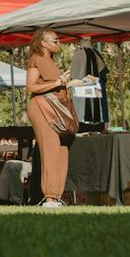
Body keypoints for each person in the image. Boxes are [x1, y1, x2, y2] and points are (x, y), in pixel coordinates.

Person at [25, 30, 76, 207]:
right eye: (55, 40)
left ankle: (56, 196)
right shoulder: (36, 59)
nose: (59, 43)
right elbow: (31, 87)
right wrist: (57, 83)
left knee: (62, 150)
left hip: (57, 109)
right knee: (50, 149)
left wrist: (72, 84)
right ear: (43, 43)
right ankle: (49, 197)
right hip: (42, 108)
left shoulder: (51, 61)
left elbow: (57, 85)